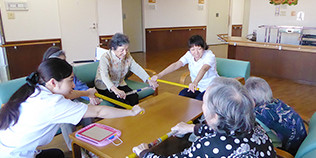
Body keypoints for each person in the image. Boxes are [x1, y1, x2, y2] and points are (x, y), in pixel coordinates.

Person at [0, 58, 143, 158]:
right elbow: (99, 111)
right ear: (53, 82)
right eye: (70, 80)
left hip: (8, 147)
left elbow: (69, 93)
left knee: (57, 154)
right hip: (15, 154)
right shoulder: (52, 104)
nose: (73, 85)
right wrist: (131, 112)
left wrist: (87, 92)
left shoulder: (37, 88)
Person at [133, 77, 276, 157]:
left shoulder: (210, 146)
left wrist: (144, 153)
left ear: (213, 116)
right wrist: (193, 128)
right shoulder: (249, 123)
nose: (202, 105)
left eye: (204, 102)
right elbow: (225, 129)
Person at [42, 46, 101, 151]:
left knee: (86, 111)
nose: (64, 65)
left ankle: (90, 144)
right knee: (65, 121)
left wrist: (89, 96)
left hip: (70, 99)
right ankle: (75, 150)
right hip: (56, 108)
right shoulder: (45, 79)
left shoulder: (67, 71)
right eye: (60, 62)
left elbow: (78, 86)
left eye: (64, 61)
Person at [244, 76, 307, 156]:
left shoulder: (258, 116)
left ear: (252, 100)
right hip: (301, 145)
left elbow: (264, 142)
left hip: (288, 153)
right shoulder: (277, 102)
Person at [94, 33, 157, 106]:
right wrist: (115, 90)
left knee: (134, 98)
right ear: (113, 48)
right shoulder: (105, 58)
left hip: (119, 83)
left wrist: (148, 79)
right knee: (122, 103)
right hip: (105, 86)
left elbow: (135, 67)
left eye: (126, 49)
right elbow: (104, 76)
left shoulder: (127, 55)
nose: (125, 53)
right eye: (122, 50)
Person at [150, 35, 219, 101]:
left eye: (199, 49)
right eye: (193, 49)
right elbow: (176, 64)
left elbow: (204, 69)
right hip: (197, 87)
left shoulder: (209, 55)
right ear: (189, 50)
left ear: (203, 48)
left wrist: (195, 82)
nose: (196, 53)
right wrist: (159, 75)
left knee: (199, 100)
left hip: (210, 87)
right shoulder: (189, 55)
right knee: (182, 95)